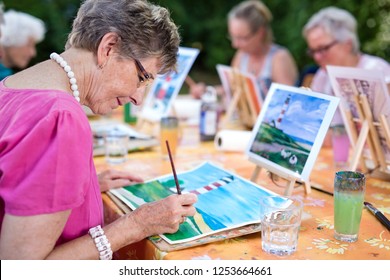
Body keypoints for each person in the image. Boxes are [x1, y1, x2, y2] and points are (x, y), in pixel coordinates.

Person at [0, 0, 197, 260]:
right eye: (142, 78)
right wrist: (136, 225)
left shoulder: (12, 85)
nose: (139, 98)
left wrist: (82, 187)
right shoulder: (60, 118)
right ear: (109, 47)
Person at [190, 0, 298, 101]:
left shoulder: (279, 58)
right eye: (232, 37)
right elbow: (230, 89)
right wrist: (206, 91)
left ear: (260, 33)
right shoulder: (242, 55)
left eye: (242, 38)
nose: (235, 44)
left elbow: (288, 101)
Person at [302, 6, 390, 129]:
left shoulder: (376, 71)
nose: (317, 57)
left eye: (323, 49)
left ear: (347, 44)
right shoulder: (322, 76)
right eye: (313, 51)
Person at [0, 10, 46, 80]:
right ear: (11, 38)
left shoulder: (6, 76)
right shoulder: (5, 80)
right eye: (29, 45)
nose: (33, 53)